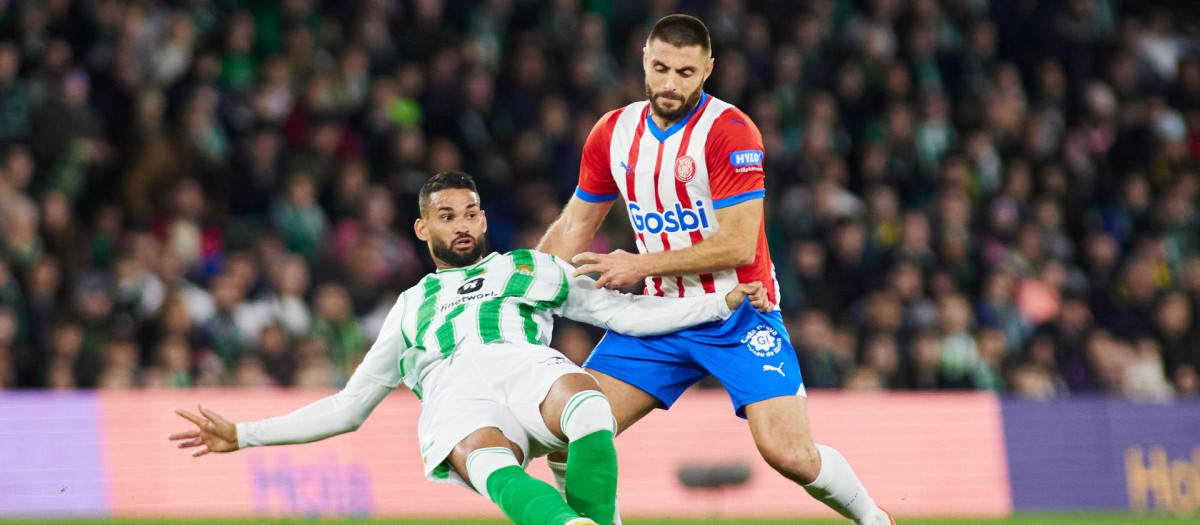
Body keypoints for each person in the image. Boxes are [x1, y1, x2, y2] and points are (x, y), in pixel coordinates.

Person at [169, 171, 770, 525]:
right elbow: (349, 408)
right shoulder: (406, 307)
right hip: (457, 398)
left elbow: (627, 314)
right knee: (486, 461)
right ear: (421, 229)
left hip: (524, 367)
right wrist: (244, 435)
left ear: (484, 221)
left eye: (472, 212)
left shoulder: (530, 268)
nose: (462, 223)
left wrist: (720, 303)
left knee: (589, 407)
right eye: (446, 214)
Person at [536, 14, 894, 525]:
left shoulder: (729, 131)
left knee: (790, 454)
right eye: (660, 68)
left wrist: (639, 264)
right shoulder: (613, 132)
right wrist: (522, 278)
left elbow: (736, 242)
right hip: (657, 317)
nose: (669, 83)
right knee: (570, 439)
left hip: (739, 313)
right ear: (643, 59)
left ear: (707, 69)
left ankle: (875, 520)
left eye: (684, 72)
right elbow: (573, 224)